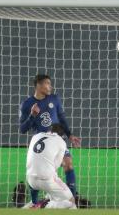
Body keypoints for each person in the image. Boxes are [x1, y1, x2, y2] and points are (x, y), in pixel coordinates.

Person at [20, 74, 81, 207]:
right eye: (47, 83)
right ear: (38, 85)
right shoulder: (27, 104)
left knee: (68, 164)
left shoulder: (55, 99)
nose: (50, 86)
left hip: (58, 139)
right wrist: (32, 116)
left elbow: (62, 118)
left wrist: (70, 135)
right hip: (40, 139)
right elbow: (22, 129)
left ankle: (71, 199)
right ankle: (35, 202)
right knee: (36, 169)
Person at [26, 124, 76, 209]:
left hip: (30, 179)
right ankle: (43, 205)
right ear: (62, 135)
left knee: (52, 196)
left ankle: (36, 203)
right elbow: (56, 165)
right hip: (47, 179)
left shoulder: (36, 136)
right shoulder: (61, 141)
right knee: (71, 202)